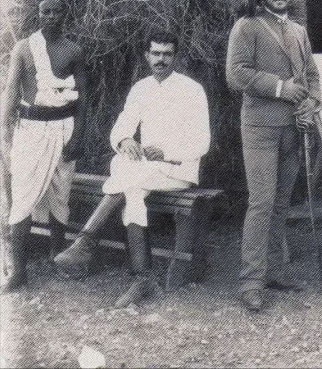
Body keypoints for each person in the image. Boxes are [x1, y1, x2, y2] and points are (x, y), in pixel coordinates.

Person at [54, 31, 211, 306]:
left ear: (175, 57)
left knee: (130, 175)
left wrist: (167, 152)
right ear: (147, 56)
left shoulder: (192, 90)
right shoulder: (141, 88)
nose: (161, 59)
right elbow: (122, 126)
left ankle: (86, 240)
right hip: (145, 171)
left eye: (167, 54)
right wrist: (125, 140)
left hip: (178, 168)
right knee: (130, 180)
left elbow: (202, 142)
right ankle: (143, 278)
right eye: (156, 53)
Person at [226, 0, 321, 312]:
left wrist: (312, 102)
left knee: (281, 203)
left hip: (293, 128)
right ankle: (251, 281)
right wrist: (282, 88)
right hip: (260, 128)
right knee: (262, 202)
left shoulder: (298, 31)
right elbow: (236, 73)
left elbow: (312, 75)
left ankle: (274, 272)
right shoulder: (247, 27)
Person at [0, 0, 87, 293]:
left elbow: (82, 98)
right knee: (22, 197)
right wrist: (4, 132)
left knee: (60, 196)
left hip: (63, 126)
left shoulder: (74, 51)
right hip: (31, 129)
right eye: (45, 11)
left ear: (65, 15)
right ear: (38, 15)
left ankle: (57, 257)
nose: (51, 17)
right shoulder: (24, 48)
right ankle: (19, 271)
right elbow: (11, 91)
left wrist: (77, 135)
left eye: (56, 11)